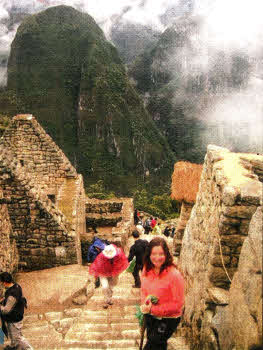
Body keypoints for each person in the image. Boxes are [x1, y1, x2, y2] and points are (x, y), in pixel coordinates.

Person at [140, 237, 184, 350]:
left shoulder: (174, 275)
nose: (157, 258)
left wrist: (152, 310)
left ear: (167, 255)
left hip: (168, 318)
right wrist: (144, 303)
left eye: (161, 254)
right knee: (157, 343)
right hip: (151, 315)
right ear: (149, 254)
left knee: (153, 343)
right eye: (154, 253)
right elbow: (143, 290)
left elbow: (178, 304)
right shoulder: (147, 269)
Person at [0, 272, 33, 350]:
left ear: (4, 282)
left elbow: (6, 310)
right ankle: (13, 346)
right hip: (17, 314)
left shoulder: (12, 294)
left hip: (14, 318)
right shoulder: (16, 286)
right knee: (13, 334)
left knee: (18, 337)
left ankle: (29, 348)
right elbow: (11, 300)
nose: (1, 284)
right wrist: (3, 299)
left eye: (1, 282)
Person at [89, 243, 128, 309]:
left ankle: (109, 298)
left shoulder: (119, 254)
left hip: (114, 272)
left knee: (111, 286)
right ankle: (106, 300)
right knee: (105, 286)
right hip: (103, 272)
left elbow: (123, 261)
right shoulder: (101, 257)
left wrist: (118, 271)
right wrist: (95, 276)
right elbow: (96, 266)